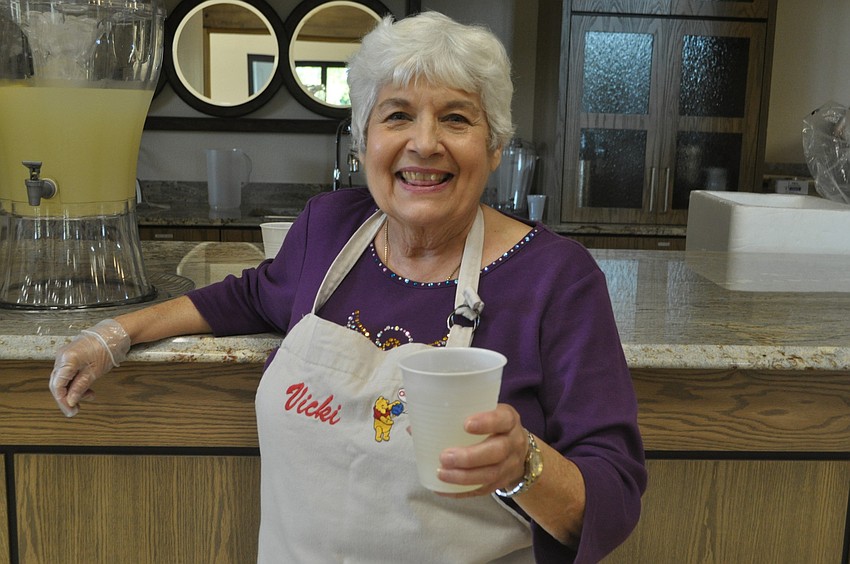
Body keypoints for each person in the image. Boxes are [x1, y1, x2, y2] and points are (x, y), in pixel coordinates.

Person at [49, 11, 646, 563]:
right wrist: (114, 335)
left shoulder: (556, 278)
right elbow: (248, 295)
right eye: (397, 115)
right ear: (362, 142)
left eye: (457, 118)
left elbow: (612, 498)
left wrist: (524, 466)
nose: (425, 143)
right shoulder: (329, 227)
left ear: (494, 148)